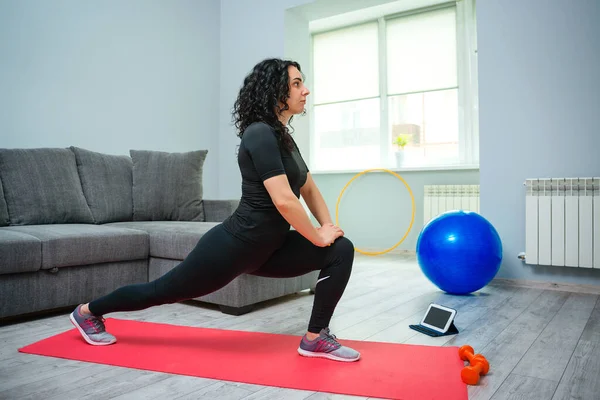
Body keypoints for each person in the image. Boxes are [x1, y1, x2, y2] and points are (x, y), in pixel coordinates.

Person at [69, 58, 360, 362]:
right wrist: (315, 235)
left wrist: (330, 229)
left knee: (341, 249)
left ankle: (315, 338)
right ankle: (88, 311)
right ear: (276, 91)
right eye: (297, 84)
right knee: (161, 291)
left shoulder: (284, 138)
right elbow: (285, 200)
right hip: (234, 245)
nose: (306, 91)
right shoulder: (259, 133)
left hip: (269, 248)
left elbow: (308, 188)